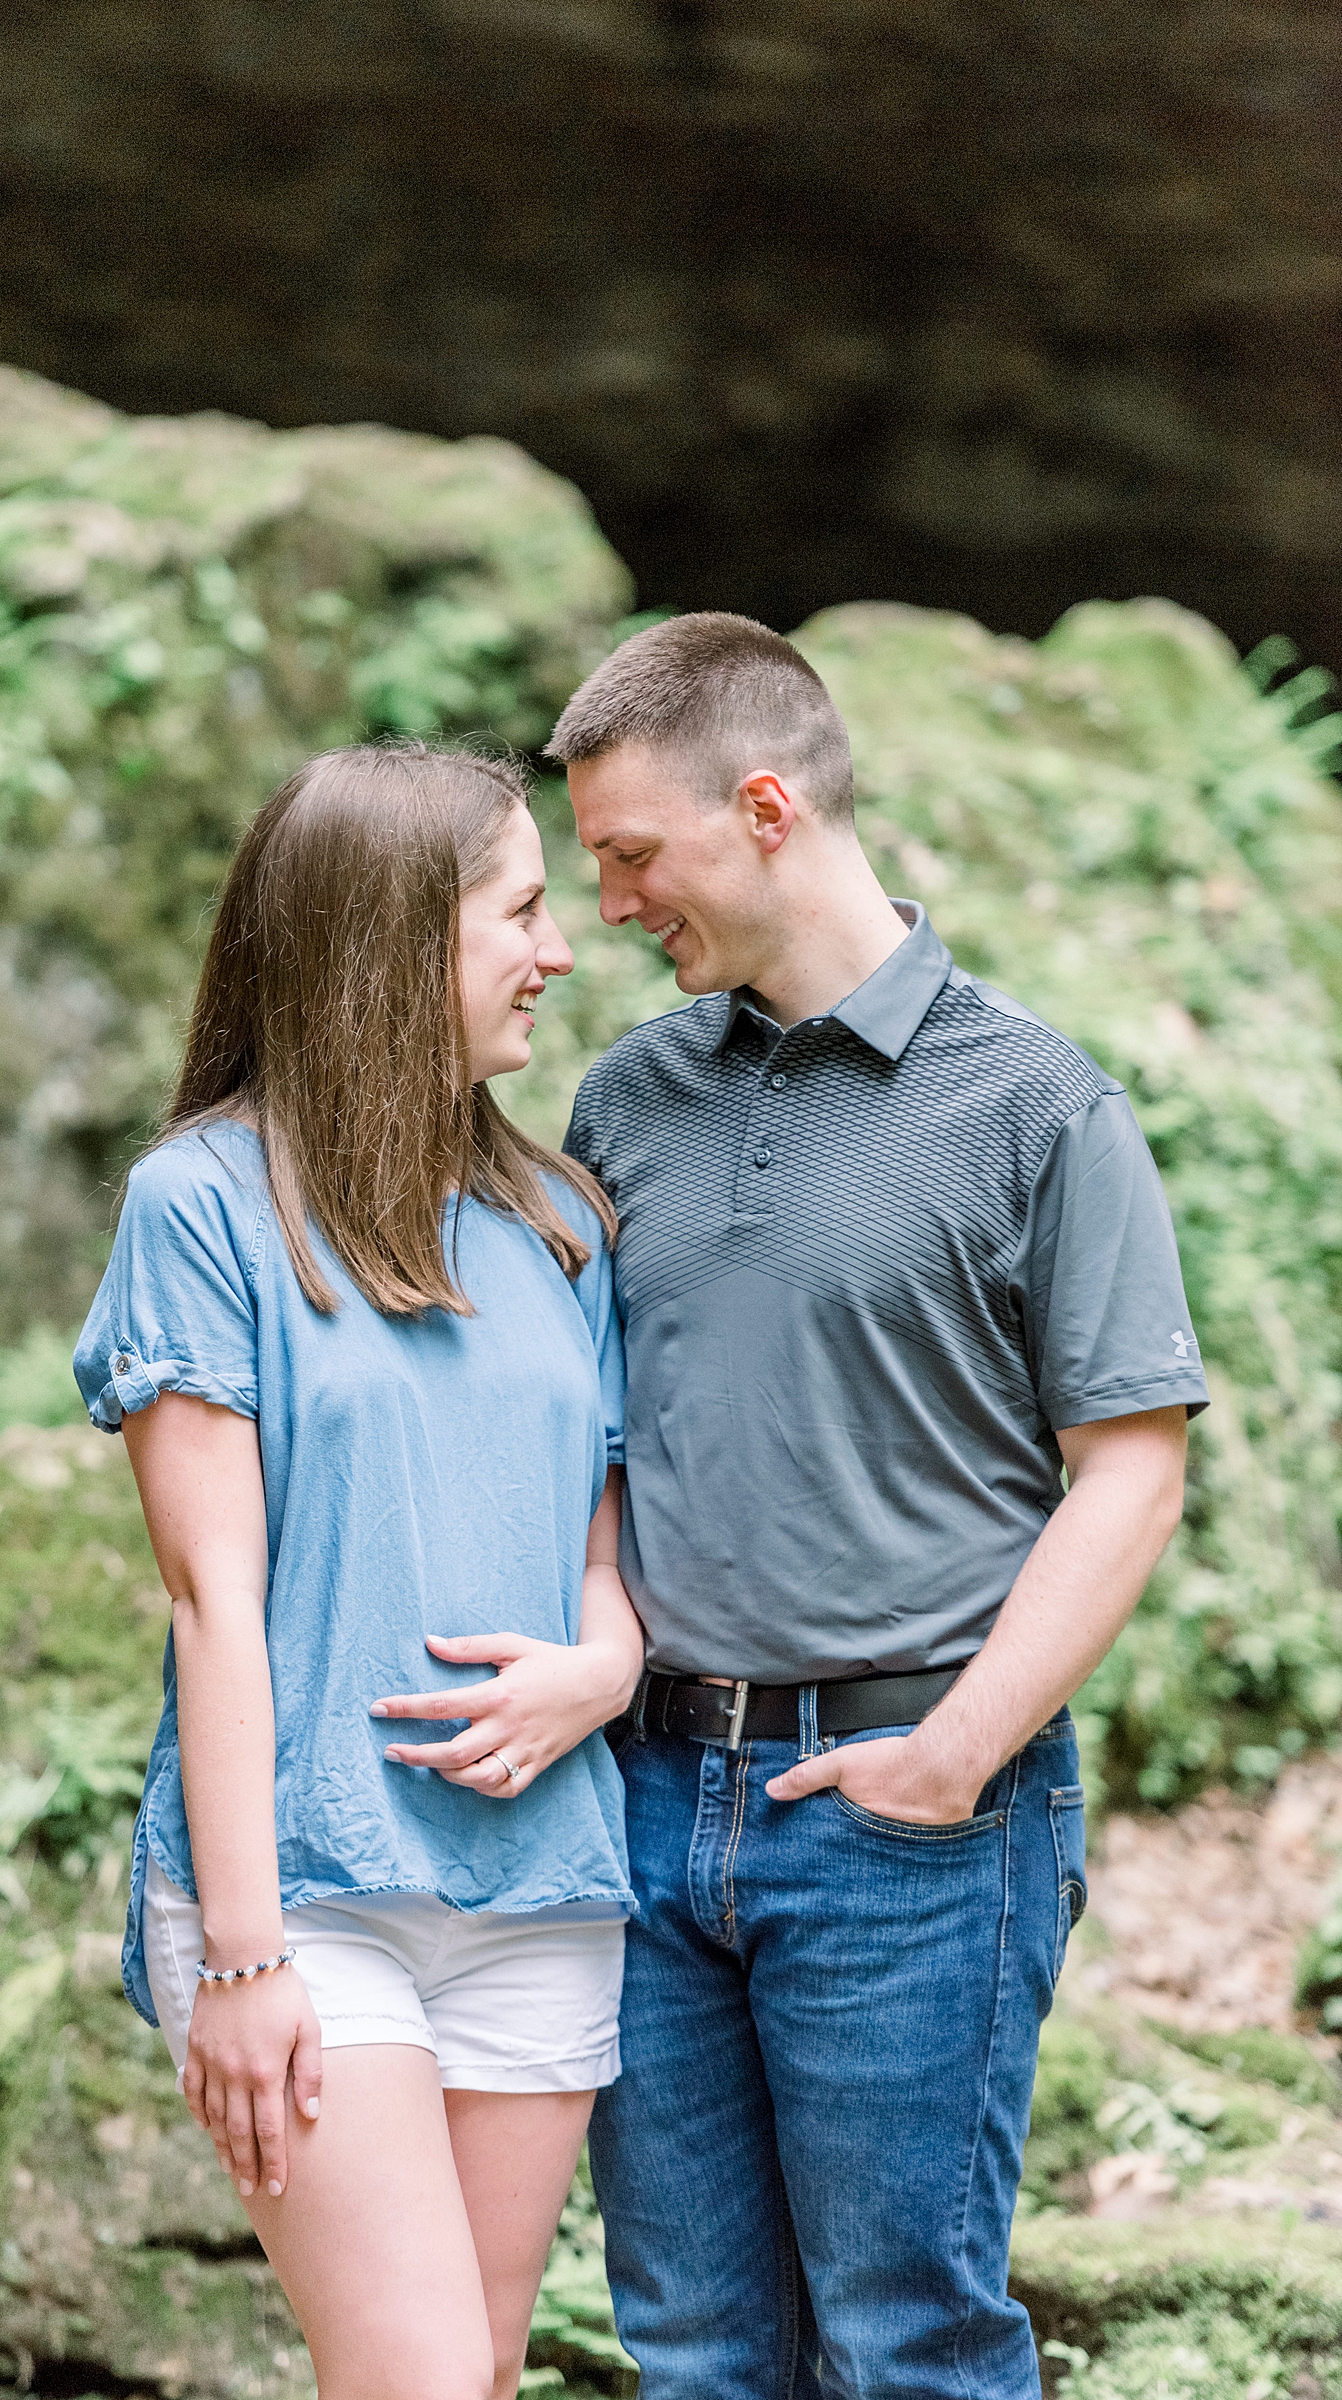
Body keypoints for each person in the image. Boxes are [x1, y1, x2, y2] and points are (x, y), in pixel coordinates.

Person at [545, 613, 1211, 2400]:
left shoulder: (1034, 1107)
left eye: (629, 857)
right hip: (648, 1804)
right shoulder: (624, 1100)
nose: (607, 907)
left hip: (913, 1817)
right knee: (689, 2352)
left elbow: (1131, 1471)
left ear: (764, 806)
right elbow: (587, 1440)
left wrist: (958, 1754)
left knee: (906, 2348)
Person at [72, 742, 645, 2400]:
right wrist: (241, 1956)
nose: (557, 947)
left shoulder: (559, 1223)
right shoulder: (199, 1208)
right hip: (306, 1888)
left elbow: (604, 1546)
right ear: (395, 942)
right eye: (522, 911)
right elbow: (210, 1601)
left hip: (540, 1883)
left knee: (468, 2376)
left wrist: (603, 1665)